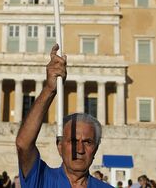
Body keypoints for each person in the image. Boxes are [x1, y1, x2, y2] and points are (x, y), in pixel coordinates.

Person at [15, 44, 111, 188]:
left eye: (87, 142)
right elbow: (23, 144)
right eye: (73, 141)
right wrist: (49, 89)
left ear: (96, 148)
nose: (79, 149)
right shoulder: (41, 179)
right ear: (59, 146)